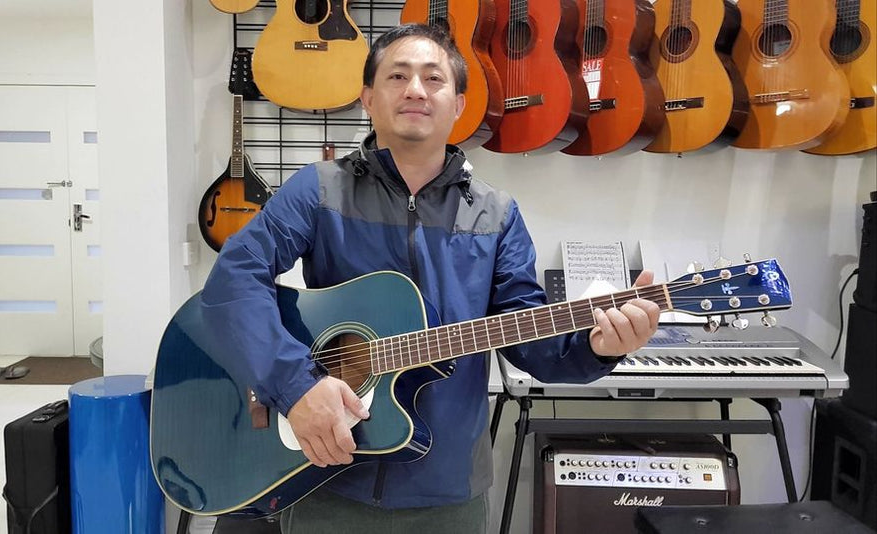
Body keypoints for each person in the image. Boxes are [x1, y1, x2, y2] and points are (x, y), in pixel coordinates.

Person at [200, 23, 661, 534]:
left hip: (448, 489)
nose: (415, 89)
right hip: (326, 474)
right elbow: (235, 277)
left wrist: (596, 348)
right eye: (398, 76)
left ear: (460, 104)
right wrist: (294, 387)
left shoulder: (497, 215)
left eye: (433, 78)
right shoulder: (319, 190)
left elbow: (531, 343)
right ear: (368, 98)